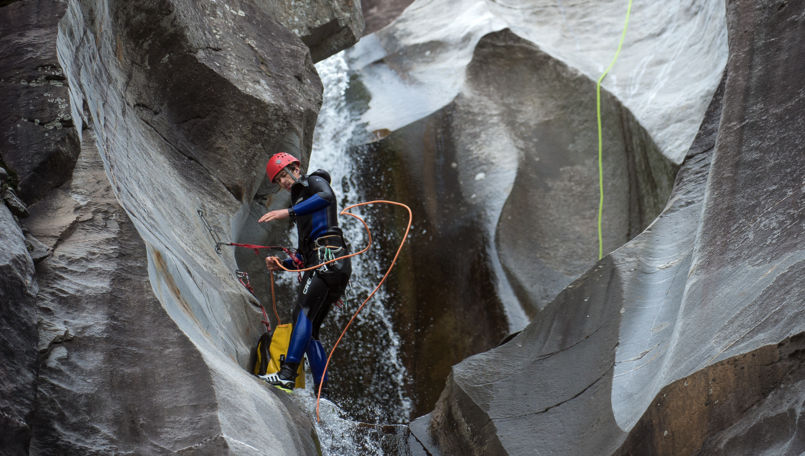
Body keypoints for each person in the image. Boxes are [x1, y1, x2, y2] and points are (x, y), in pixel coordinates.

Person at [258, 152, 351, 397]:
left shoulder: (313, 181)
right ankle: (324, 394)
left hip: (327, 258)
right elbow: (303, 256)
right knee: (311, 331)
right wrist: (283, 264)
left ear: (296, 168)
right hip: (329, 263)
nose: (283, 182)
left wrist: (286, 213)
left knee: (302, 313)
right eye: (278, 181)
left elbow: (327, 196)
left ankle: (287, 375)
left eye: (283, 176)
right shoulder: (299, 199)